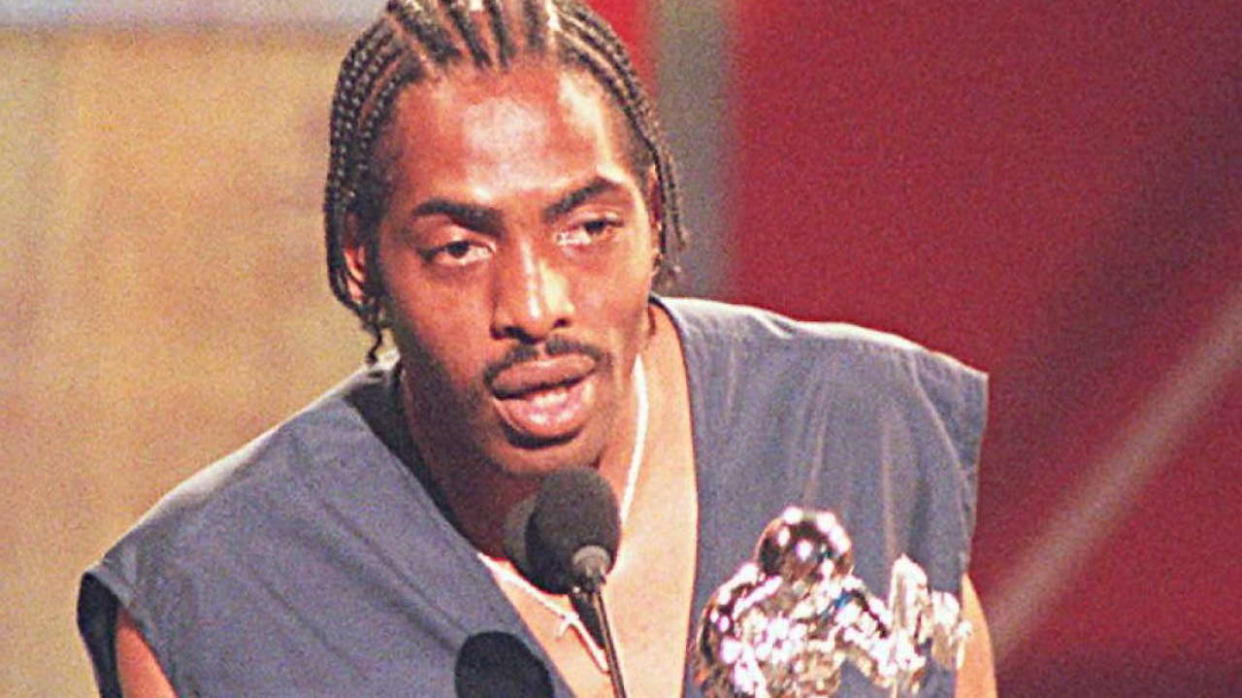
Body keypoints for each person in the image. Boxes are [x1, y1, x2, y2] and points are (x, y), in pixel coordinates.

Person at [77, 1, 997, 696]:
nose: (534, 304)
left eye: (588, 227)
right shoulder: (225, 586)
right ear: (363, 263)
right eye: (459, 248)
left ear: (656, 213)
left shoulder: (856, 435)